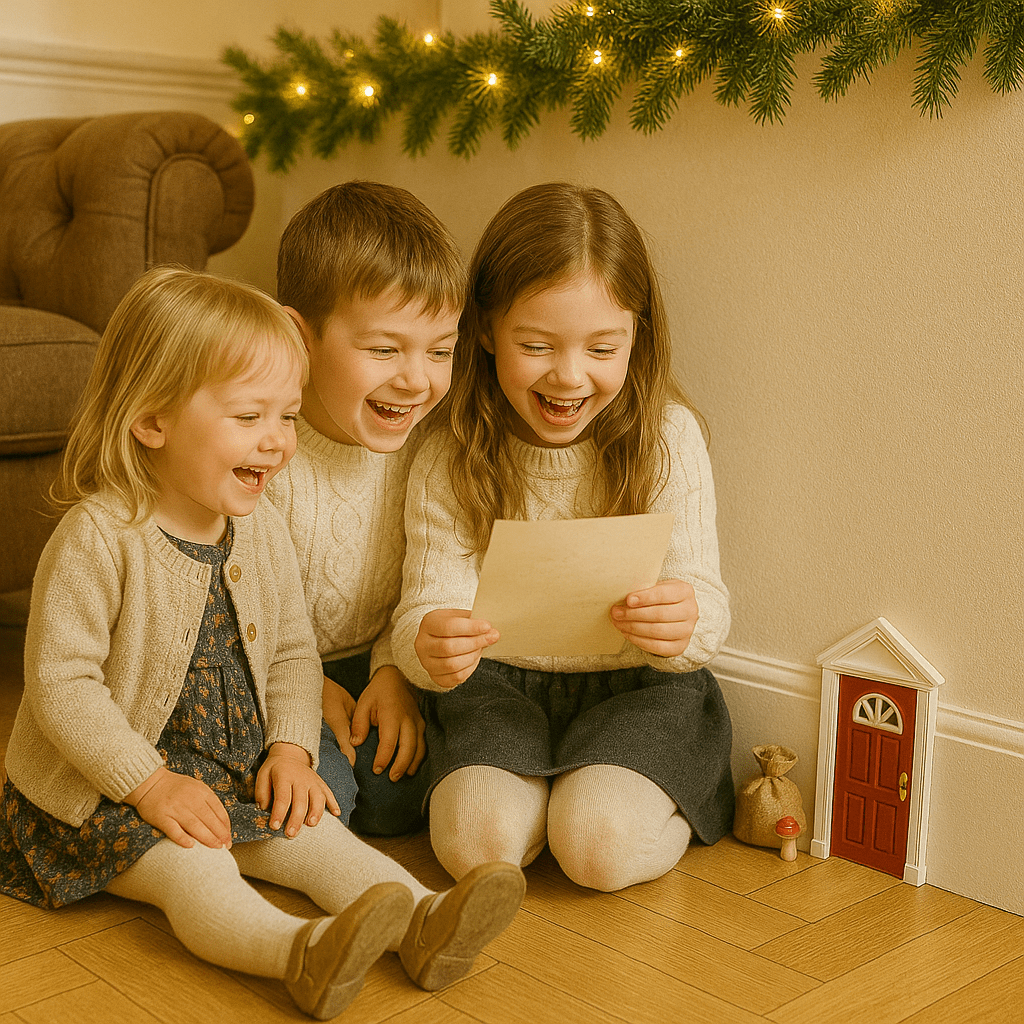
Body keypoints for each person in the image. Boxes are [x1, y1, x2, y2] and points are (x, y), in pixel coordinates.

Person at [0, 268, 525, 1021]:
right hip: (105, 789)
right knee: (197, 870)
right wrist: (149, 785)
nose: (277, 442)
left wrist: (289, 751)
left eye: (286, 415)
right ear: (152, 420)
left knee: (316, 838)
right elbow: (62, 688)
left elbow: (288, 655)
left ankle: (426, 923)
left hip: (226, 766)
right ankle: (300, 954)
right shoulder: (101, 536)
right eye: (251, 417)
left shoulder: (259, 526)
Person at [391, 183, 735, 893]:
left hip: (638, 688)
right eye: (537, 345)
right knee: (475, 842)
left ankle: (636, 798)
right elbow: (422, 606)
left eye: (602, 347)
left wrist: (685, 619)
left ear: (637, 335)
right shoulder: (449, 452)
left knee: (598, 847)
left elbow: (704, 594)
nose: (569, 375)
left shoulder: (667, 437)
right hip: (498, 689)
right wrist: (429, 642)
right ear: (485, 330)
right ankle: (544, 804)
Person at [270, 181, 464, 836]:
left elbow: (427, 576)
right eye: (384, 349)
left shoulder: (427, 449)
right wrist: (299, 685)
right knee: (320, 803)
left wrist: (393, 670)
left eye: (440, 351)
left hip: (368, 657)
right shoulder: (263, 447)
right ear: (300, 337)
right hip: (256, 663)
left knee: (400, 800)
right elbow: (220, 597)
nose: (417, 380)